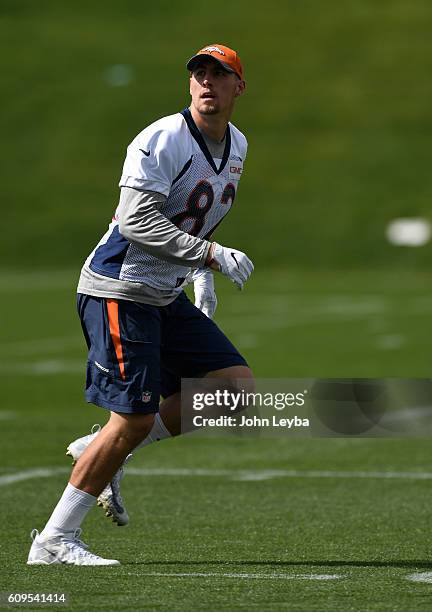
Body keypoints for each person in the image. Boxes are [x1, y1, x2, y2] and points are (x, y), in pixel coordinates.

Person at [27, 43, 254, 566]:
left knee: (231, 388)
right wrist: (210, 255)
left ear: (238, 87)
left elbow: (193, 213)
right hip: (119, 288)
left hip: (163, 293)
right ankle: (54, 541)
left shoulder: (236, 144)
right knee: (129, 420)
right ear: (189, 83)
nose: (206, 83)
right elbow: (137, 222)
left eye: (219, 76)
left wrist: (198, 269)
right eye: (199, 74)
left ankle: (101, 449)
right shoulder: (163, 138)